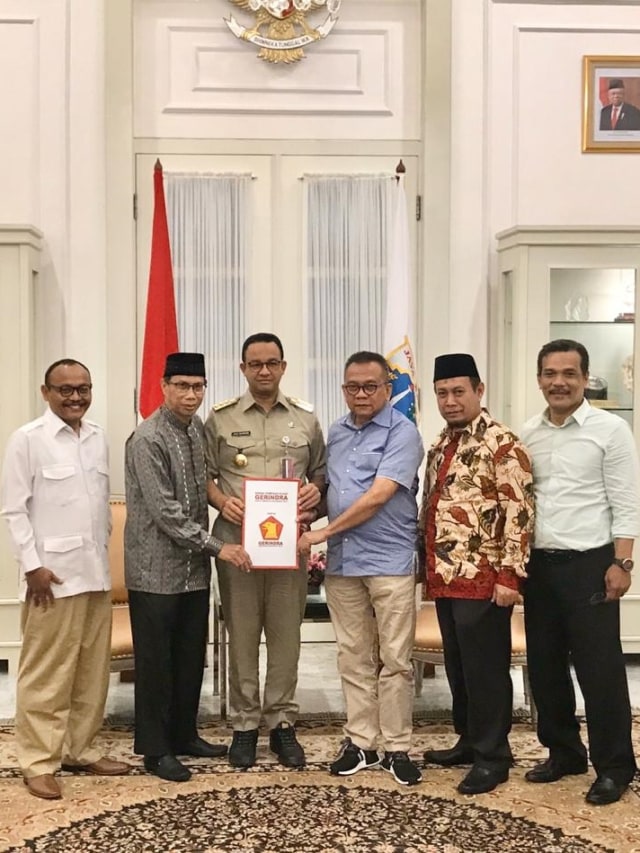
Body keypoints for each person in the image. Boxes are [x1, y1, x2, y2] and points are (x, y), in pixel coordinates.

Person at [0, 359, 130, 800]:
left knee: (91, 673)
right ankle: (38, 761)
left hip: (94, 576)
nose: (75, 397)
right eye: (65, 389)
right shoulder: (28, 440)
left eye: (83, 389)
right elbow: (14, 510)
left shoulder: (96, 438)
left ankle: (80, 748)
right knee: (46, 674)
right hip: (50, 580)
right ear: (46, 392)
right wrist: (32, 567)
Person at [521, 339, 639, 806]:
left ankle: (614, 767)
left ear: (585, 379)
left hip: (592, 565)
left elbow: (626, 501)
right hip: (539, 566)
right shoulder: (528, 432)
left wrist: (622, 562)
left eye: (569, 373)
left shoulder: (611, 430)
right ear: (539, 380)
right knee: (546, 668)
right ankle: (563, 752)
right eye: (550, 373)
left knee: (600, 671)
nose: (559, 382)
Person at [298, 351, 424, 786]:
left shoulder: (404, 433)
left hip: (388, 559)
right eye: (352, 386)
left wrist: (321, 533)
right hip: (344, 562)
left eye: (371, 386)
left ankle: (397, 747)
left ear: (388, 389)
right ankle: (362, 742)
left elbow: (378, 495)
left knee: (394, 659)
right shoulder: (336, 432)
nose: (361, 394)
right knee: (352, 656)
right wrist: (296, 510)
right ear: (343, 389)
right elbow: (330, 489)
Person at [125, 352, 252, 783]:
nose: (190, 394)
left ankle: (183, 734)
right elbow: (167, 513)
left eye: (198, 386)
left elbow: (208, 490)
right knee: (156, 665)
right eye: (181, 385)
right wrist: (222, 548)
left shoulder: (197, 429)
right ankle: (156, 750)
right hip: (155, 572)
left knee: (188, 658)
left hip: (193, 571)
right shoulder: (147, 439)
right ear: (163, 386)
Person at [204, 332, 326, 769]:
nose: (264, 371)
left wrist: (314, 498)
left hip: (287, 545)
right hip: (238, 544)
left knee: (285, 636)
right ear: (242, 368)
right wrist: (221, 501)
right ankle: (243, 725)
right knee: (241, 633)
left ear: (283, 366)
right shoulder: (218, 419)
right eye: (255, 364)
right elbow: (202, 476)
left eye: (272, 362)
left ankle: (281, 723)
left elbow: (322, 479)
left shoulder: (307, 420)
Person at [419, 353, 534, 795]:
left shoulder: (501, 443)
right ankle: (468, 740)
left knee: (486, 671)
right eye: (443, 393)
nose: (450, 401)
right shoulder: (441, 444)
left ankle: (493, 756)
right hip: (446, 577)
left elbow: (520, 514)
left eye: (459, 392)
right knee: (460, 667)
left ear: (479, 390)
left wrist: (510, 577)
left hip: (485, 580)